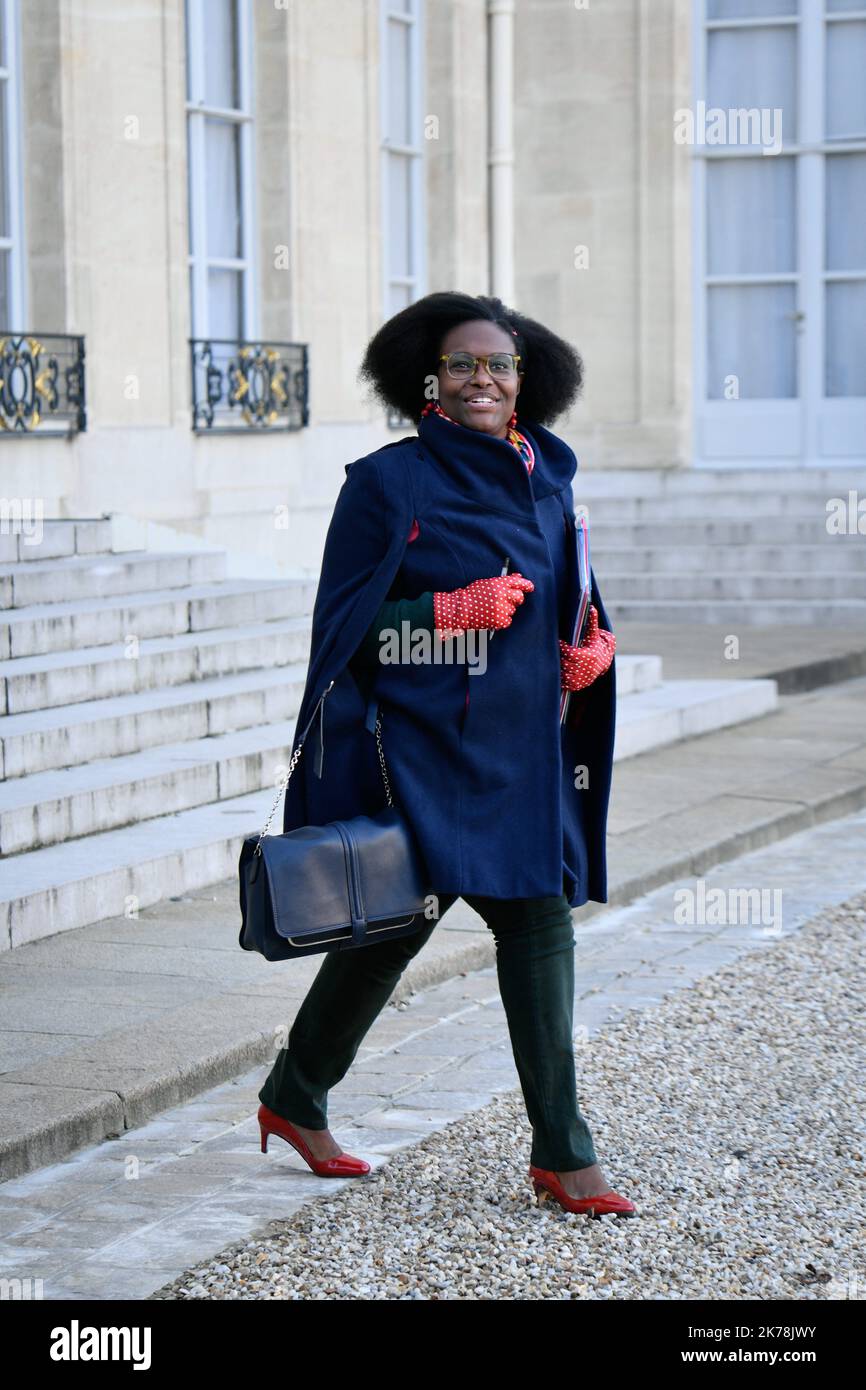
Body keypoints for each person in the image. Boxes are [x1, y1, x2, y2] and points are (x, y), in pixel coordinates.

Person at [256, 292, 635, 1218]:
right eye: (462, 365)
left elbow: (571, 596)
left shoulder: (551, 477)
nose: (482, 380)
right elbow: (343, 633)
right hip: (423, 751)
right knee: (424, 922)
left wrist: (589, 650)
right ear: (428, 379)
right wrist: (441, 614)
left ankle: (297, 1096)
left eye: (499, 365)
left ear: (524, 379)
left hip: (523, 752)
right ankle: (565, 1151)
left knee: (474, 922)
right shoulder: (389, 483)